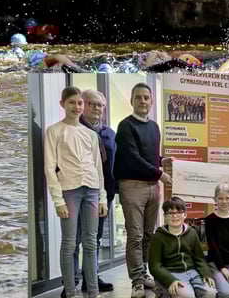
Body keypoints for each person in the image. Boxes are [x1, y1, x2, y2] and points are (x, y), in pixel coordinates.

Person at [45, 87, 108, 298]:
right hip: (69, 191)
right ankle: (70, 292)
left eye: (80, 103)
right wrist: (58, 200)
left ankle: (94, 292)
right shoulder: (54, 131)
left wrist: (102, 198)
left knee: (91, 243)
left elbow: (98, 167)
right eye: (71, 102)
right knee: (70, 243)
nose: (76, 106)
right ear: (63, 104)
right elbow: (49, 168)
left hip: (91, 190)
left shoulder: (90, 134)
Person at [114, 82, 173, 298]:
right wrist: (159, 174)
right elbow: (132, 158)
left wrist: (161, 160)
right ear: (132, 101)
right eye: (138, 97)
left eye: (146, 98)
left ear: (151, 101)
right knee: (136, 236)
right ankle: (137, 281)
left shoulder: (154, 127)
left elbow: (147, 157)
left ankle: (144, 272)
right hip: (132, 186)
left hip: (152, 187)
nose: (143, 101)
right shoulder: (125, 126)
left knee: (149, 234)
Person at [68, 90, 117, 296]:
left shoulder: (109, 133)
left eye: (100, 105)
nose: (97, 108)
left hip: (103, 195)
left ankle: (91, 278)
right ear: (82, 105)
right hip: (78, 193)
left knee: (93, 239)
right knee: (75, 239)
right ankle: (71, 282)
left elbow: (117, 163)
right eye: (92, 104)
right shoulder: (72, 130)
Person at [148, 196, 217, 298]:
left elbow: (200, 259)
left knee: (210, 292)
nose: (175, 216)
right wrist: (170, 280)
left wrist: (206, 273)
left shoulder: (192, 233)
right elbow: (154, 266)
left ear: (185, 214)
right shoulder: (158, 237)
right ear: (165, 216)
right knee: (187, 296)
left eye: (179, 212)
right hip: (172, 273)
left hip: (193, 272)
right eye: (170, 213)